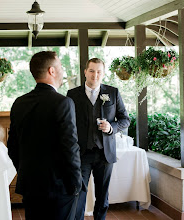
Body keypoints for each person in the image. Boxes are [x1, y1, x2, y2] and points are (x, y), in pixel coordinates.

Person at [7, 51, 83, 220]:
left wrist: (26, 171)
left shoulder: (19, 103)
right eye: (60, 67)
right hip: (60, 188)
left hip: (30, 186)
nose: (63, 71)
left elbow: (12, 146)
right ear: (51, 71)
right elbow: (70, 147)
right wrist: (77, 184)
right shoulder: (63, 102)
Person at [67, 58, 130, 220]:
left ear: (103, 73)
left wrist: (111, 128)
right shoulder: (72, 95)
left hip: (105, 153)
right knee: (79, 193)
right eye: (92, 71)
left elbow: (125, 120)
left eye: (99, 71)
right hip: (81, 153)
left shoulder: (113, 92)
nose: (95, 75)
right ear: (85, 72)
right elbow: (68, 123)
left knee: (103, 195)